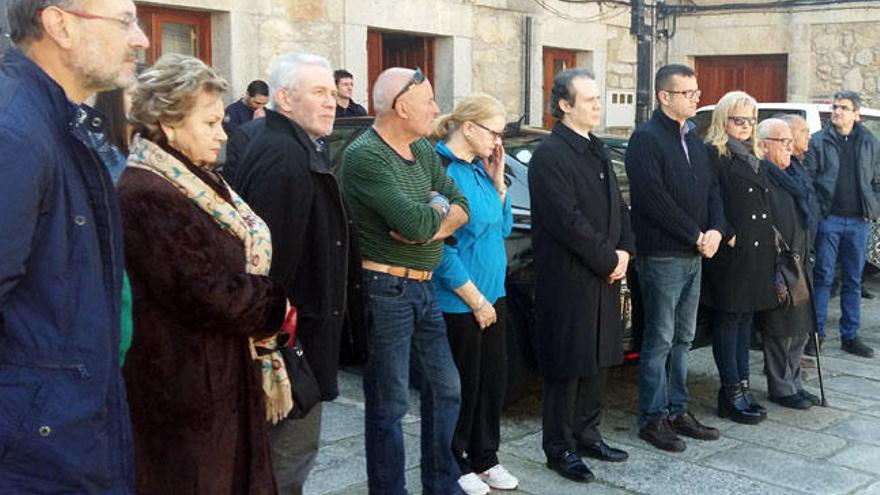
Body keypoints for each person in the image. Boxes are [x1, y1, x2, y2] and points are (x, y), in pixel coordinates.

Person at [119, 54, 292, 494]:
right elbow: (203, 292)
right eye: (210, 123)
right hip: (184, 395)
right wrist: (273, 301)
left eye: (221, 121)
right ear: (170, 122)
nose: (223, 133)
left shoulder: (192, 177)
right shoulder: (145, 192)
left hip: (219, 382)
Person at [0, 0, 148, 491]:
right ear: (59, 24)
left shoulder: (61, 123)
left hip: (64, 439)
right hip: (34, 457)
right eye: (125, 21)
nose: (141, 39)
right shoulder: (15, 134)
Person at [226, 52, 366, 495]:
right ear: (285, 99)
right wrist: (285, 347)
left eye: (332, 92)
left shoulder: (290, 146)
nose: (332, 102)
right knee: (286, 463)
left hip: (294, 340)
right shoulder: (286, 159)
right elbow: (269, 270)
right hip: (290, 348)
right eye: (319, 93)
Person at [340, 67, 470, 495]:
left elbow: (460, 205)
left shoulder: (425, 149)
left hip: (424, 286)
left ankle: (440, 485)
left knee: (446, 388)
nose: (436, 108)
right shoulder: (365, 155)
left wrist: (433, 214)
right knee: (389, 404)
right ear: (401, 105)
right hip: (384, 291)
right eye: (429, 100)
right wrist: (435, 210)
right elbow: (412, 221)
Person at [529, 69, 634, 482]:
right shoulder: (550, 155)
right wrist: (608, 259)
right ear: (564, 105)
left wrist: (625, 250)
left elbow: (619, 207)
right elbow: (566, 220)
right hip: (570, 277)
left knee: (600, 357)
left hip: (605, 272)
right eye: (588, 99)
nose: (597, 105)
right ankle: (559, 447)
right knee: (567, 364)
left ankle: (587, 432)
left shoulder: (598, 149)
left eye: (597, 98)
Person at [625, 64, 725, 452]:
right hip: (664, 255)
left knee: (684, 337)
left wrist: (715, 229)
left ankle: (678, 409)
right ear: (665, 97)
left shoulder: (693, 138)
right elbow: (653, 200)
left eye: (697, 92)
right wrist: (695, 234)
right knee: (660, 338)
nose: (697, 99)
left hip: (695, 252)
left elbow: (711, 190)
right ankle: (653, 418)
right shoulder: (646, 139)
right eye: (689, 93)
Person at [431, 94, 519, 495]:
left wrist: (499, 182)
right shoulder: (442, 167)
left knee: (492, 381)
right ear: (468, 127)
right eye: (494, 131)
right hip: (460, 299)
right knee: (463, 385)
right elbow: (441, 248)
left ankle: (486, 456)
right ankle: (456, 459)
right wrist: (474, 300)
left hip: (493, 292)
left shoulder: (481, 168)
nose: (499, 141)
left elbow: (501, 229)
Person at [701, 91, 776, 425]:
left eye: (750, 120)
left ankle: (743, 388)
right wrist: (728, 231)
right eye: (738, 119)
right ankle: (730, 392)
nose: (745, 126)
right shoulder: (714, 154)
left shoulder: (753, 155)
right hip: (733, 252)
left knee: (745, 322)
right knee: (729, 321)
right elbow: (708, 199)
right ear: (723, 120)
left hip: (757, 250)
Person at [805, 90, 880, 359]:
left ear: (856, 114)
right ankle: (817, 335)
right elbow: (809, 181)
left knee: (853, 280)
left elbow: (877, 181)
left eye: (844, 108)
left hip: (859, 222)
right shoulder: (818, 141)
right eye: (835, 107)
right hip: (829, 220)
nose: (837, 111)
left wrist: (874, 206)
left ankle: (850, 336)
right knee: (823, 277)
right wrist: (818, 214)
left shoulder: (870, 142)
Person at [755, 118, 822, 410]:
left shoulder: (795, 173)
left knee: (802, 327)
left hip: (802, 258)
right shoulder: (763, 176)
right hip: (779, 264)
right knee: (782, 328)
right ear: (764, 145)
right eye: (783, 142)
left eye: (789, 141)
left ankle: (794, 381)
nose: (789, 147)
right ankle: (781, 387)